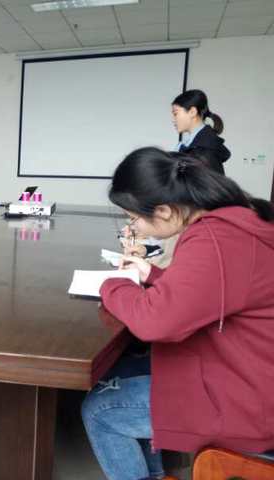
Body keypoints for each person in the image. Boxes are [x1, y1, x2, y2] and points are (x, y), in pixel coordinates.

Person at [82, 147, 274, 480]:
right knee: (119, 372)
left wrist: (113, 285)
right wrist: (154, 275)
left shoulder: (215, 238)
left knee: (100, 410)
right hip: (250, 371)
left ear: (164, 210)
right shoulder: (233, 220)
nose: (134, 227)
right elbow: (216, 291)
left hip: (248, 400)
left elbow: (154, 323)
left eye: (133, 219)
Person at [172, 89, 230, 174]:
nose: (173, 120)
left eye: (175, 113)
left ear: (192, 112)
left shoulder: (205, 151)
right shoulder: (191, 145)